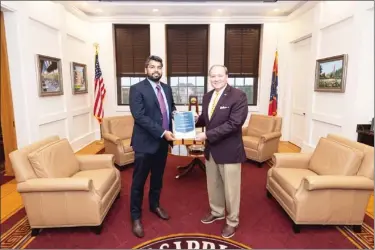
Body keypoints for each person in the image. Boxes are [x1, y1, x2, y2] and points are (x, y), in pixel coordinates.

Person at [195, 65, 248, 239]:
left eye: (219, 75)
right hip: (211, 150)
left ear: (227, 76)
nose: (216, 79)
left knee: (231, 190)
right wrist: (193, 120)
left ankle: (232, 221)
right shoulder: (207, 96)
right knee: (214, 185)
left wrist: (206, 135)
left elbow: (234, 124)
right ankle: (217, 211)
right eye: (212, 76)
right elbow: (206, 117)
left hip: (229, 151)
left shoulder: (238, 96)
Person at [129, 55, 176, 238]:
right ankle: (135, 217)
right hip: (144, 144)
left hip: (162, 144)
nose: (156, 70)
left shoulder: (167, 88)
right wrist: (162, 132)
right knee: (138, 183)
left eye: (159, 67)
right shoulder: (136, 89)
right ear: (146, 70)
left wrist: (182, 119)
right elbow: (139, 116)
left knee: (158, 178)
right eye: (152, 67)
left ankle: (154, 205)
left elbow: (170, 110)